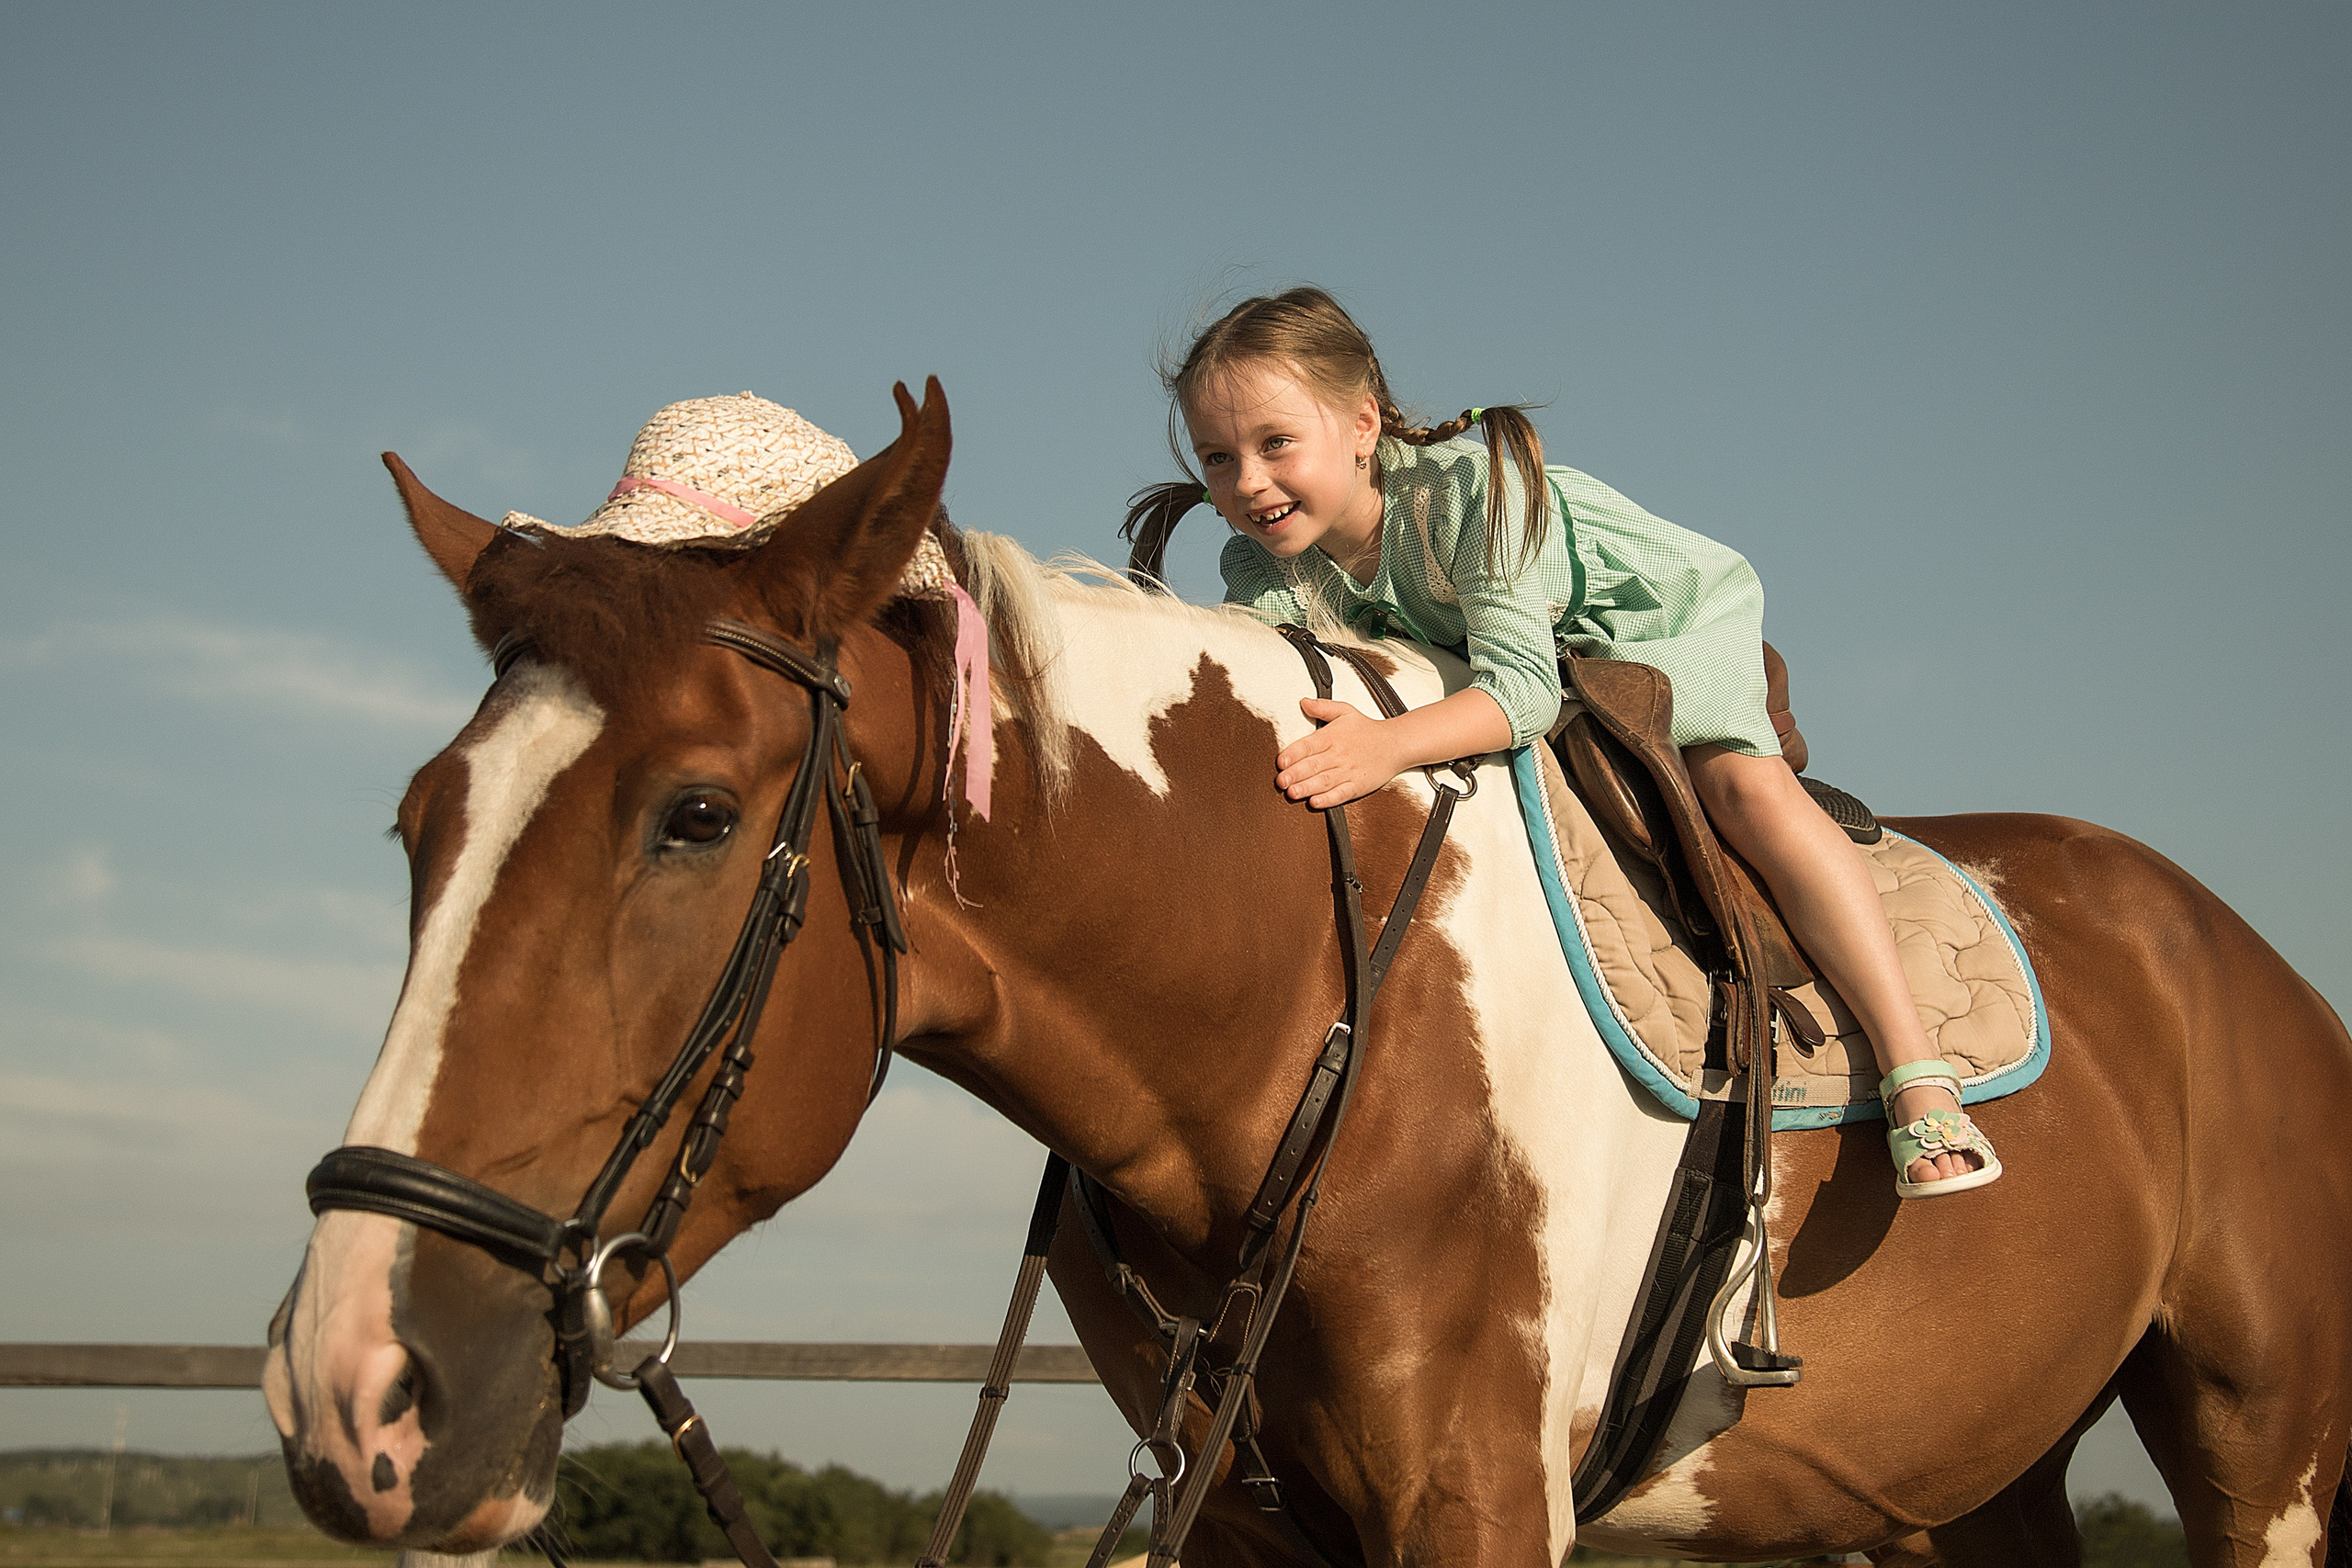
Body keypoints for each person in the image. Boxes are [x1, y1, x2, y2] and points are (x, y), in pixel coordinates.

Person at [1125, 287, 1998, 1198]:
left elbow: (1519, 690)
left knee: (1742, 787)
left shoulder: (1475, 497)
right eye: (1218, 459)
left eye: (1275, 444)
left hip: (1652, 632)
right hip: (1525, 669)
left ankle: (1915, 1071)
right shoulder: (1262, 565)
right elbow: (1266, 685)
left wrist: (1385, 747)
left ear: (1359, 423)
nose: (1248, 483)